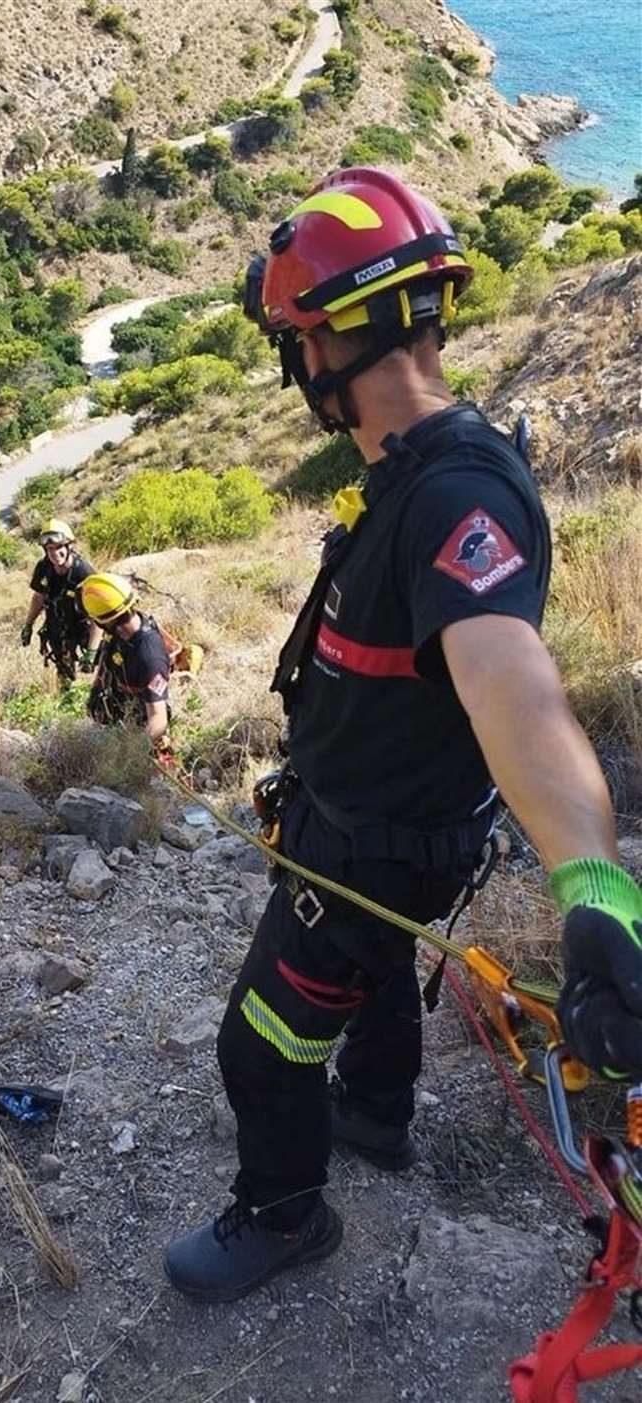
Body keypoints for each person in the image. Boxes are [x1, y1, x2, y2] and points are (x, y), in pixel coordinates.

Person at [164, 166, 642, 1302]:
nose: (296, 371)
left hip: (375, 845)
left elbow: (513, 683)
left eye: (296, 344)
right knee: (374, 969)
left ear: (328, 345)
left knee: (260, 1040)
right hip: (380, 828)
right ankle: (375, 1114)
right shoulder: (428, 467)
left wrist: (595, 883)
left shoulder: (452, 497)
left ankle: (283, 1212)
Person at [80, 573, 172, 755]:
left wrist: (132, 753)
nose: (94, 623)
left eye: (97, 620)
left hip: (141, 721)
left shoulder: (149, 656)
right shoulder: (121, 628)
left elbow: (158, 718)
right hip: (119, 709)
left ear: (109, 621)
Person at [20, 519, 103, 683]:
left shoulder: (84, 573)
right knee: (64, 672)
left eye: (59, 547)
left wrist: (92, 650)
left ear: (68, 546)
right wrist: (28, 624)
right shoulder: (44, 568)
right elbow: (39, 596)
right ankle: (67, 696)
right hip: (58, 625)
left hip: (84, 625)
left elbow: (97, 615)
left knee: (104, 663)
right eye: (50, 549)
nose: (55, 553)